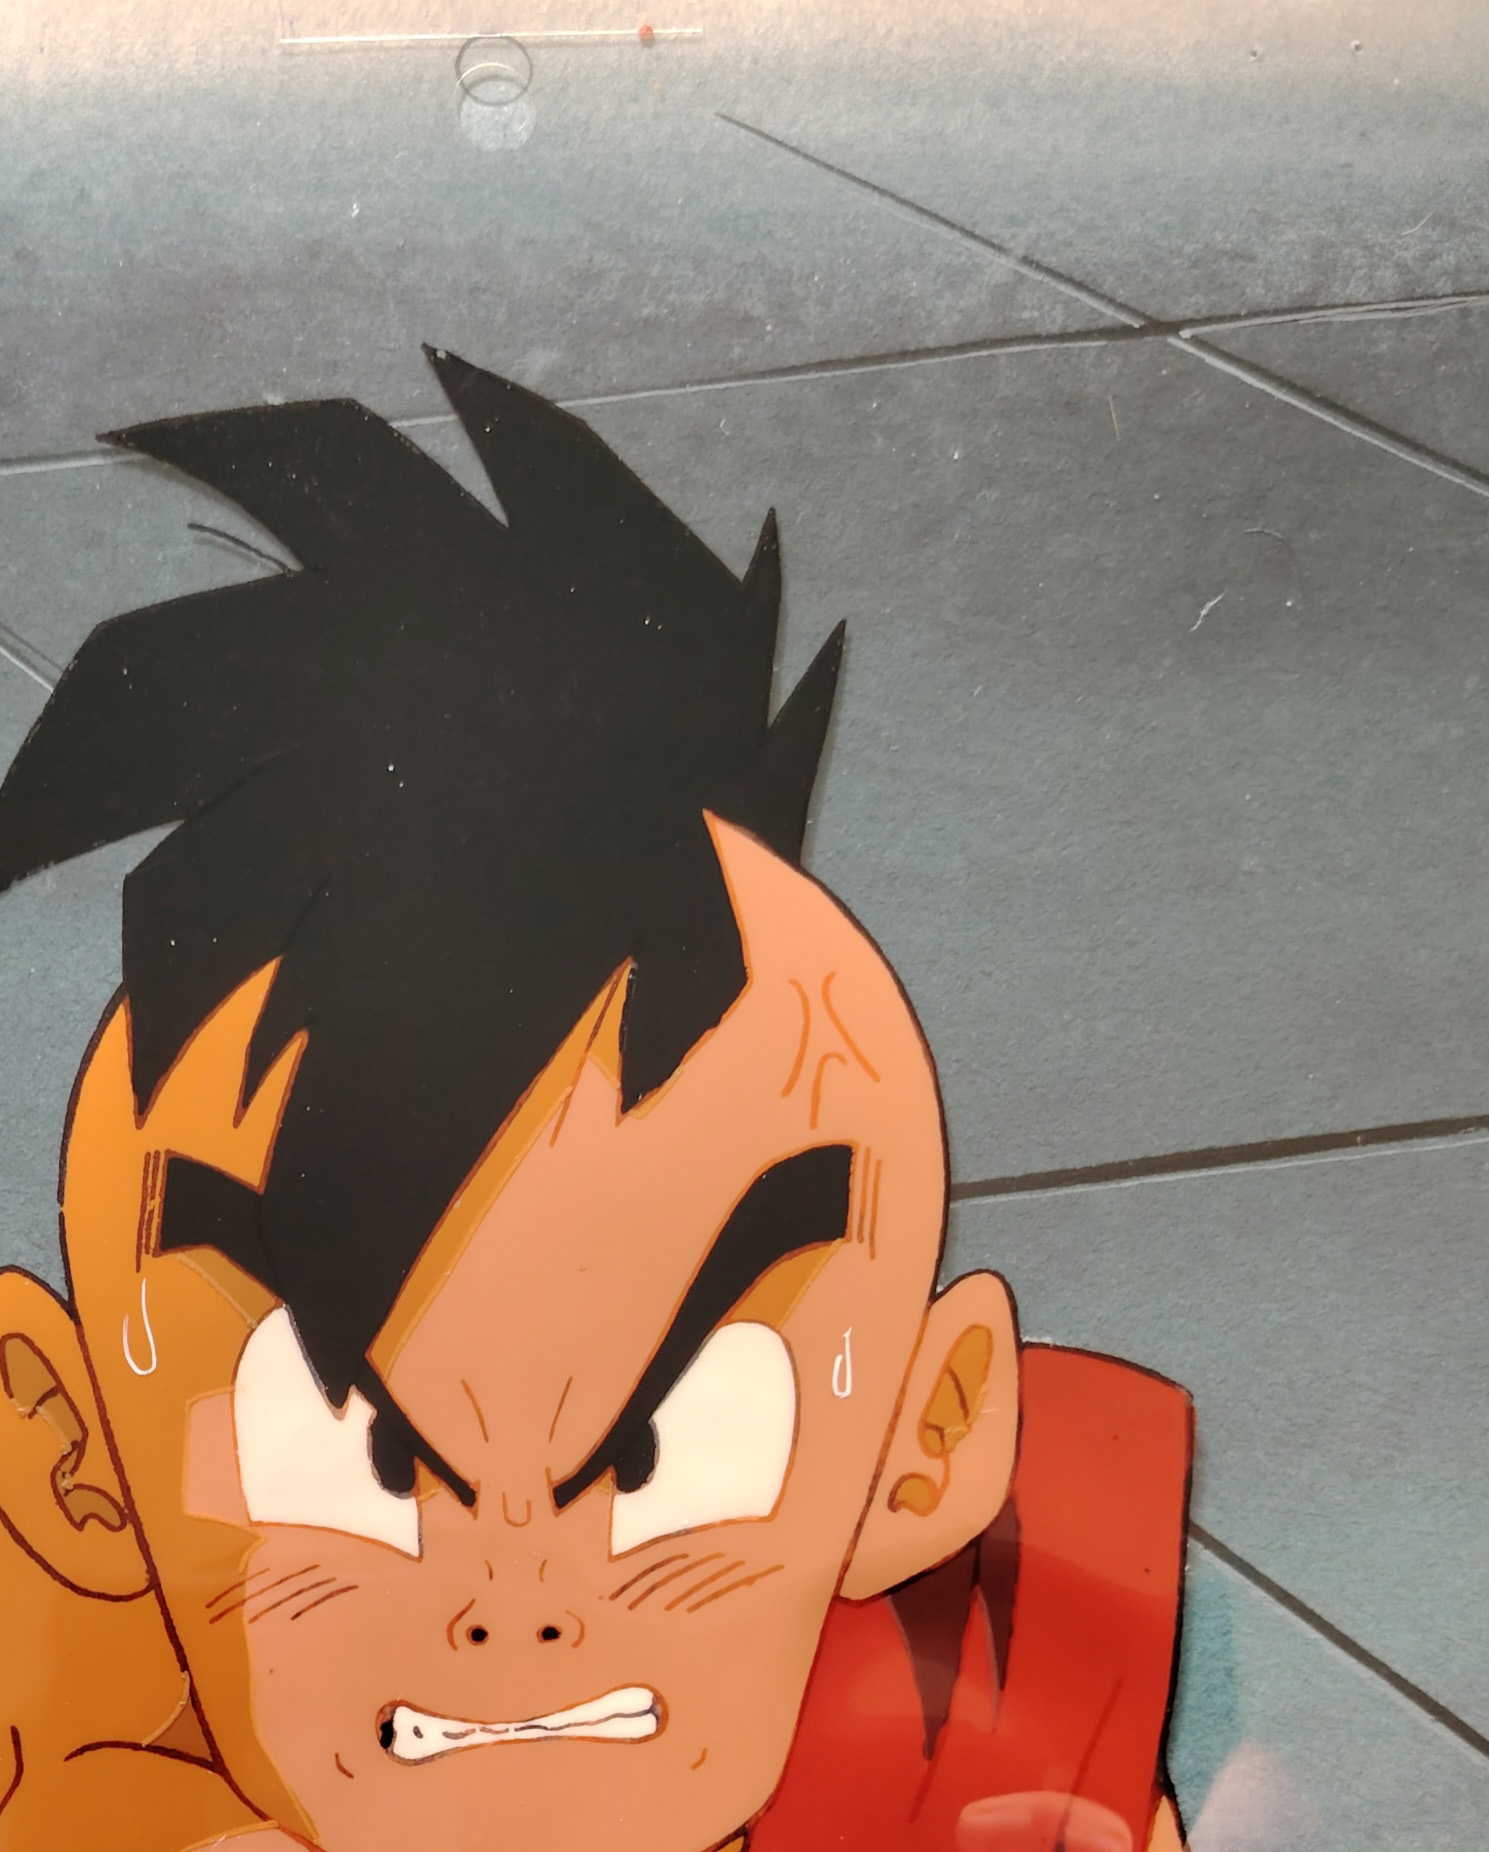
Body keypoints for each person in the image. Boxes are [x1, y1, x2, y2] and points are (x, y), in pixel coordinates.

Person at [0, 351, 1192, 1852]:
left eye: (668, 1453)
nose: (517, 1608)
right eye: (351, 1458)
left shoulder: (1017, 1779)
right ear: (63, 1458)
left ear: (929, 1438)